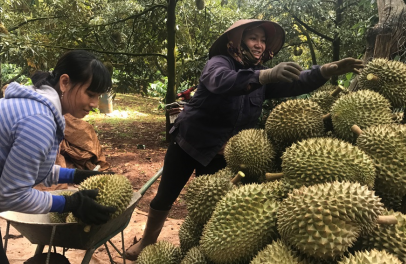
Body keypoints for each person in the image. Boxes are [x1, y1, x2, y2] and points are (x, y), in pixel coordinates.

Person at [124, 19, 364, 260]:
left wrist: (324, 71)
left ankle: (201, 250)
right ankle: (147, 241)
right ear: (237, 41)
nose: (259, 45)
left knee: (211, 207)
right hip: (190, 144)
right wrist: (265, 75)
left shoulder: (263, 79)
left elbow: (295, 82)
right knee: (166, 196)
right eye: (253, 38)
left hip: (225, 155)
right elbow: (221, 80)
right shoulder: (219, 63)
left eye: (262, 40)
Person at [0, 50, 117, 264]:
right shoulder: (38, 121)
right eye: (90, 94)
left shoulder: (38, 108)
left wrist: (75, 175)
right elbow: (12, 195)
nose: (95, 104)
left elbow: (28, 168)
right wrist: (70, 204)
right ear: (65, 82)